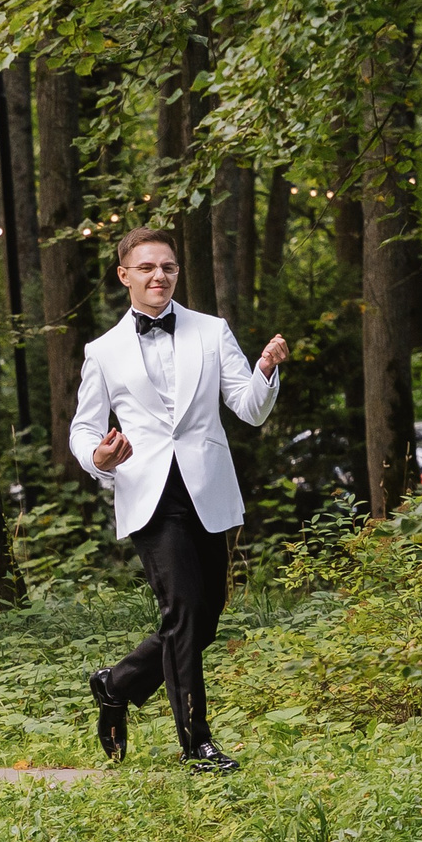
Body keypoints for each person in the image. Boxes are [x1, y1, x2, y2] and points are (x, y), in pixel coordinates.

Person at [68, 227, 289, 773]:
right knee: (184, 611)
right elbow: (83, 428)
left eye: (167, 267)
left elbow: (248, 408)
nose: (158, 276)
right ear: (124, 275)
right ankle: (196, 743)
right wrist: (98, 457)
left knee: (205, 618)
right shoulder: (103, 351)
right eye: (146, 267)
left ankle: (116, 684)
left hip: (206, 489)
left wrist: (264, 371)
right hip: (148, 493)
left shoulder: (211, 331)